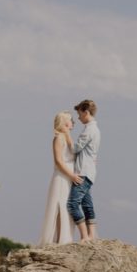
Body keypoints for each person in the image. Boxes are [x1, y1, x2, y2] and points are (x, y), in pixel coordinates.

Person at [39, 111, 84, 245]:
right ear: (65, 122)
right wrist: (72, 176)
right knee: (60, 206)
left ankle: (64, 237)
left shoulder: (67, 137)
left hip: (70, 177)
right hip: (62, 178)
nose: (73, 123)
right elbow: (58, 161)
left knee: (66, 207)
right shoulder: (58, 138)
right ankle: (59, 239)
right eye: (71, 120)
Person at [67, 99, 101, 242]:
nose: (78, 117)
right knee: (87, 204)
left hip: (83, 171)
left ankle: (85, 236)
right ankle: (92, 235)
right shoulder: (95, 129)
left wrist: (66, 134)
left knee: (72, 204)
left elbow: (75, 148)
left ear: (86, 112)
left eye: (80, 113)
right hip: (90, 171)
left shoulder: (89, 130)